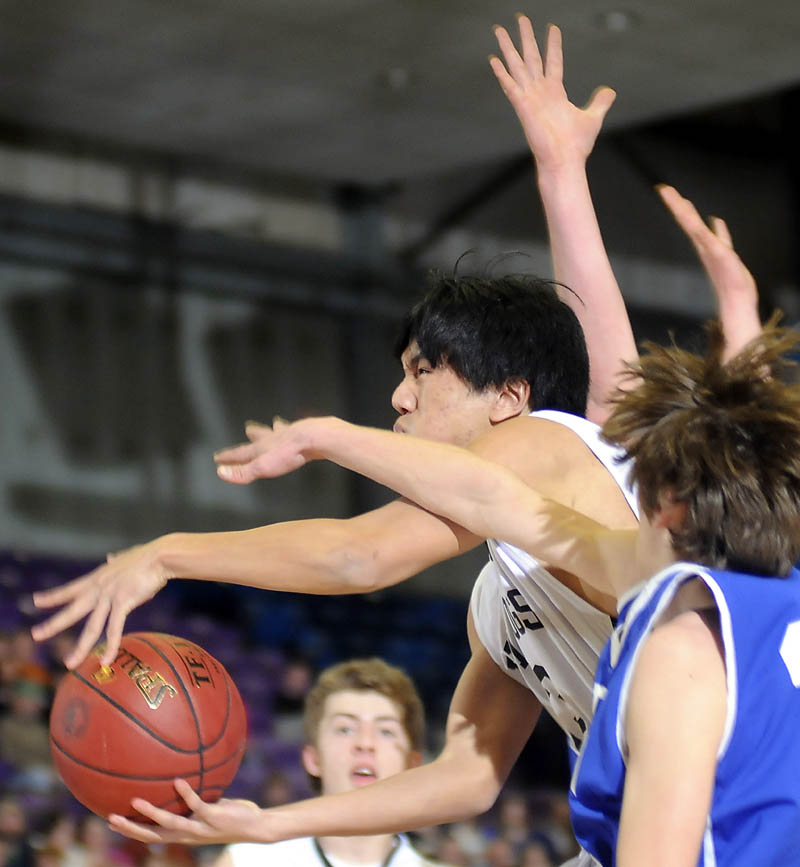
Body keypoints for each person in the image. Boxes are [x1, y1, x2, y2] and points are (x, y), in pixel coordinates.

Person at [31, 17, 759, 861]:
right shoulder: (505, 593)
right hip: (663, 804)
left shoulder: (542, 444)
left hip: (733, 792)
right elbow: (471, 771)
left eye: (424, 371)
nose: (399, 395)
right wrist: (275, 823)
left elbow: (359, 556)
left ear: (508, 398)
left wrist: (167, 552)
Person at [109, 322, 800, 866]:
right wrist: (272, 823)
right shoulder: (744, 592)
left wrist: (326, 436)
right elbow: (500, 503)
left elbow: (389, 540)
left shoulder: (678, 637)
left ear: (671, 502)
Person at [211, 657, 441, 867]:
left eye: (386, 731)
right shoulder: (247, 861)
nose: (365, 742)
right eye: (345, 728)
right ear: (313, 759)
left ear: (412, 765)